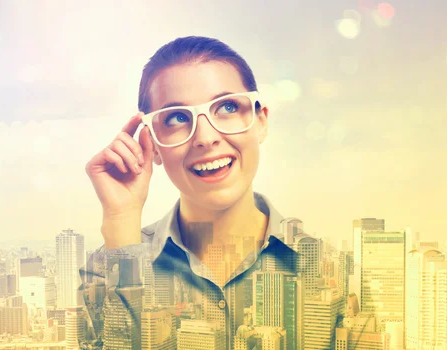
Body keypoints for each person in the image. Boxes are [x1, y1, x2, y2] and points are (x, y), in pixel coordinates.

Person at [80, 36, 321, 350]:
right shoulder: (105, 270)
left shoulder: (328, 270)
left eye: (227, 107)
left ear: (260, 122)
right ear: (150, 144)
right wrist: (122, 222)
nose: (206, 138)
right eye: (178, 118)